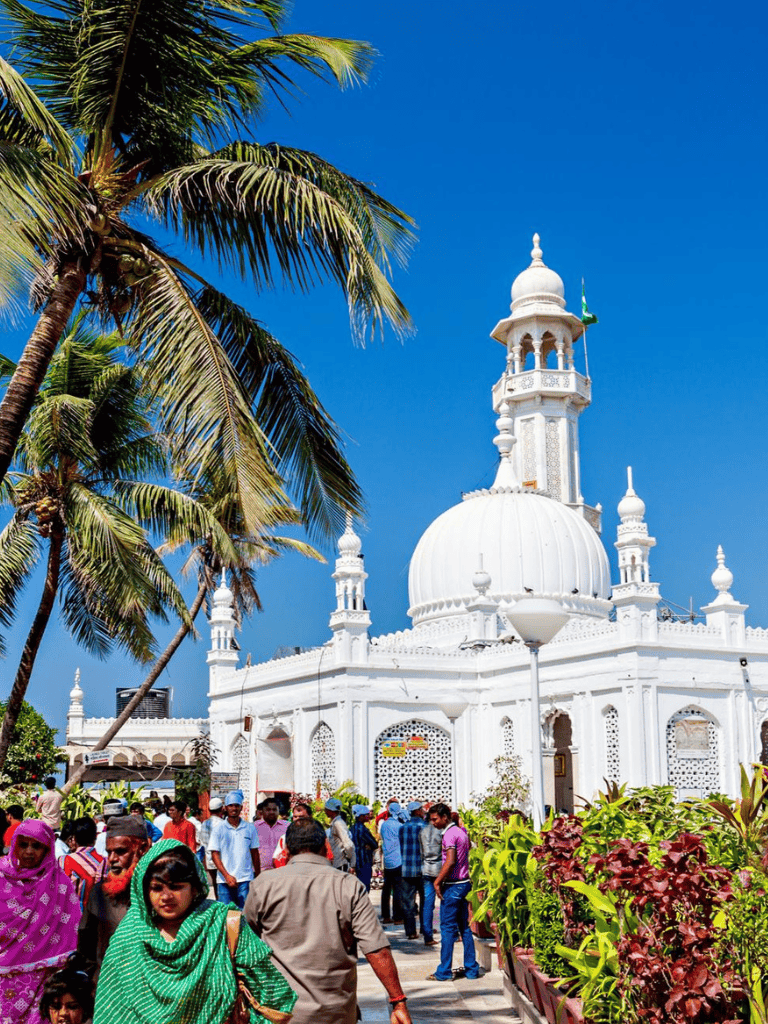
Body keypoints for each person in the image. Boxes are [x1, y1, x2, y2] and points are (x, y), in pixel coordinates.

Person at [92, 839, 297, 1024]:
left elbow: (274, 994)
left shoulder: (224, 925)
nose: (165, 897)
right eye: (156, 888)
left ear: (195, 888)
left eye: (176, 887)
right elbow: (111, 1009)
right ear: (144, 891)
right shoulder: (129, 937)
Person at [245, 819, 412, 1024]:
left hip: (278, 1012)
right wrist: (398, 1001)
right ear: (326, 847)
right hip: (336, 1013)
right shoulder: (349, 886)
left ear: (286, 849)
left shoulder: (263, 885)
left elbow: (244, 946)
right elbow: (376, 950)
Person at [0, 820, 80, 1023]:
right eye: (23, 844)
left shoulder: (60, 884)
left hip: (42, 979)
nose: (29, 852)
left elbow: (70, 928)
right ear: (14, 845)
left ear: (47, 848)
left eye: (36, 846)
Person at [78, 816, 150, 972]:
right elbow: (85, 946)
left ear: (143, 849)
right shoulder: (99, 893)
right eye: (109, 852)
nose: (112, 859)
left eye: (120, 851)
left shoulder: (157, 892)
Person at [425, 803, 480, 982]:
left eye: (435, 819)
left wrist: (437, 881)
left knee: (448, 929)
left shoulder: (449, 835)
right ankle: (471, 969)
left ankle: (444, 971)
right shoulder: (461, 832)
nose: (433, 823)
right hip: (464, 884)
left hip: (454, 885)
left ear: (445, 818)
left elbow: (450, 861)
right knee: (464, 927)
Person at [208, 790, 260, 909]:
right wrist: (227, 876)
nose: (234, 808)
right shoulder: (218, 829)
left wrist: (257, 876)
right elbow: (215, 855)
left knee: (245, 916)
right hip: (224, 881)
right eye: (231, 805)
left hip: (245, 879)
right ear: (225, 808)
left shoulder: (250, 828)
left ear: (241, 807)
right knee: (225, 916)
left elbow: (255, 854)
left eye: (237, 805)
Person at [61, 817, 105, 913]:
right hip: (96, 919)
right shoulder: (104, 862)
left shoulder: (64, 861)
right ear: (95, 837)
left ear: (74, 838)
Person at [399, 802, 425, 940]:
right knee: (425, 901)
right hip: (422, 869)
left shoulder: (402, 828)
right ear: (418, 811)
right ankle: (425, 928)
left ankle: (410, 932)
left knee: (408, 903)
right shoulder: (425, 827)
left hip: (406, 869)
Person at [418, 807, 442, 946]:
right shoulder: (440, 831)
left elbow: (421, 852)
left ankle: (427, 936)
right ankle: (451, 933)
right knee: (445, 901)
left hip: (426, 868)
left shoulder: (423, 831)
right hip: (439, 869)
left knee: (428, 904)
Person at [379, 802, 403, 924]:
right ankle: (398, 917)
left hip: (387, 860)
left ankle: (386, 916)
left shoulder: (383, 825)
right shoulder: (400, 826)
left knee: (386, 889)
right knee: (398, 889)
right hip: (398, 859)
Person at [255, 798, 288, 871]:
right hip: (259, 871)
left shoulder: (287, 826)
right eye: (268, 809)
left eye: (274, 810)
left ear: (278, 811)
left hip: (282, 870)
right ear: (262, 811)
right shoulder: (253, 827)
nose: (271, 812)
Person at [199, 797, 224, 893]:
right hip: (222, 860)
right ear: (222, 809)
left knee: (215, 883)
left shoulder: (204, 824)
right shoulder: (223, 824)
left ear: (209, 810)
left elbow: (202, 841)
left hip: (209, 860)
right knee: (223, 884)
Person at [350, 805, 378, 892]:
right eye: (366, 815)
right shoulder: (363, 829)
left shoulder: (352, 828)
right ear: (361, 816)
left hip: (356, 861)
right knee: (365, 887)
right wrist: (369, 847)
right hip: (364, 861)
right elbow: (374, 844)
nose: (368, 816)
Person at [325, 798, 356, 873]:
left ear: (331, 811)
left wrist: (352, 863)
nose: (325, 811)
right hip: (336, 863)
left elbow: (348, 844)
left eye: (326, 809)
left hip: (340, 864)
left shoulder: (338, 823)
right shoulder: (335, 823)